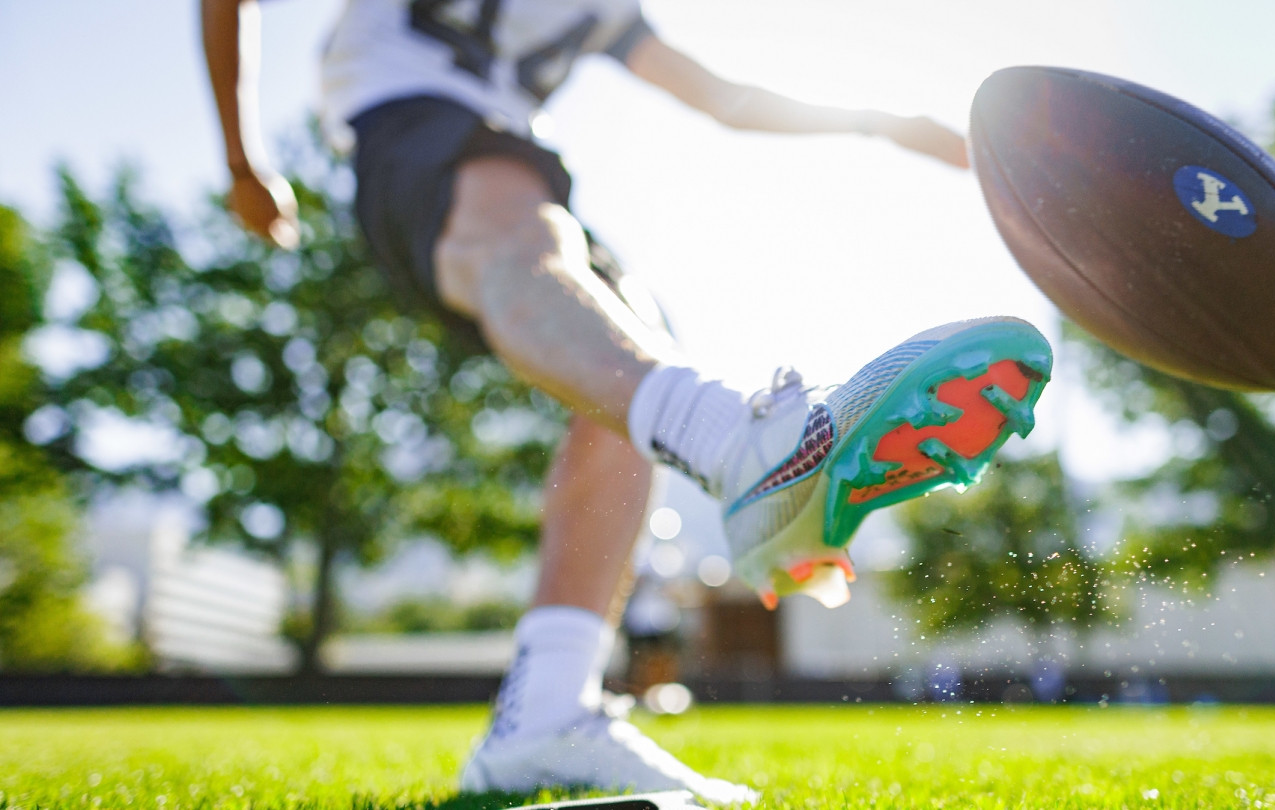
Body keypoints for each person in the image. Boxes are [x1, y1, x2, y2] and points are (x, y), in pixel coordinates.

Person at [201, 0, 1052, 802]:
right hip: (405, 119)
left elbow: (727, 99)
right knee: (523, 235)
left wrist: (892, 125)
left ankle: (545, 713)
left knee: (636, 342)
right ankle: (734, 446)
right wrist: (241, 159)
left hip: (499, 151)